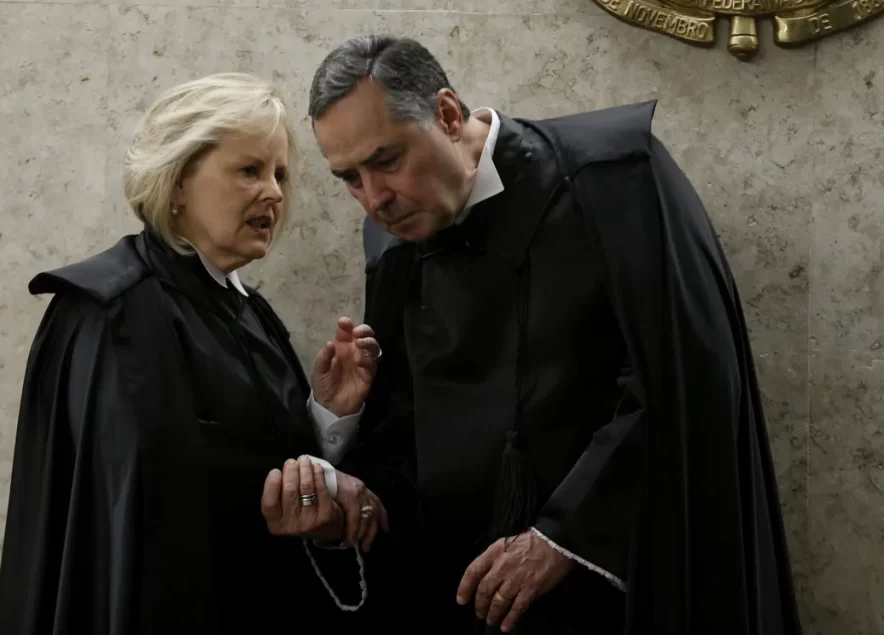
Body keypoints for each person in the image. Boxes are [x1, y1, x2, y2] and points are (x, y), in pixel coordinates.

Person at [305, 35, 804, 634]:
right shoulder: (389, 243)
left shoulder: (613, 178)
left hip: (619, 590)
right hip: (466, 598)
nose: (374, 200)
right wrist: (346, 453)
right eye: (349, 178)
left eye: (387, 161)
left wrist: (565, 537)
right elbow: (405, 436)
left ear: (448, 114)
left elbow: (684, 375)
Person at [0, 73, 391, 634]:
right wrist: (326, 484)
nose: (274, 193)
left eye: (279, 174)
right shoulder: (114, 310)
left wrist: (326, 415)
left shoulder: (249, 309)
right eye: (249, 170)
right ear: (177, 182)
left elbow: (258, 461)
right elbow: (152, 491)